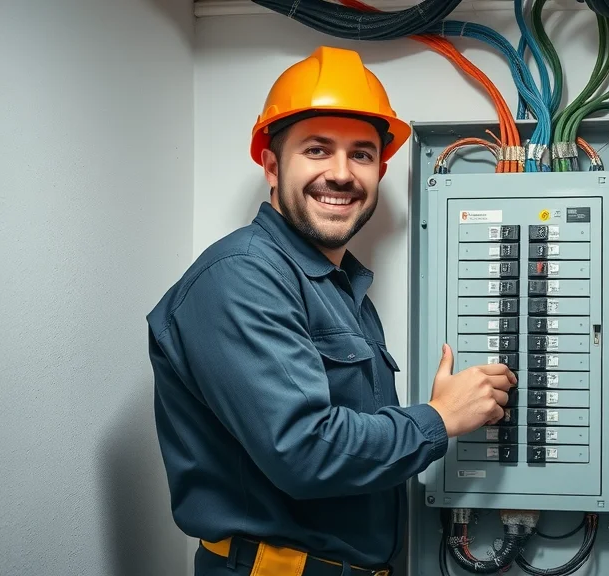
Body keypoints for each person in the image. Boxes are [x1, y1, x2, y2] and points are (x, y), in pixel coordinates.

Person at [145, 46, 516, 576]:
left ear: (380, 171)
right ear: (272, 166)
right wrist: (441, 418)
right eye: (318, 151)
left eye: (361, 154)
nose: (341, 174)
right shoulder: (240, 277)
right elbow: (306, 451)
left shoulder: (340, 289)